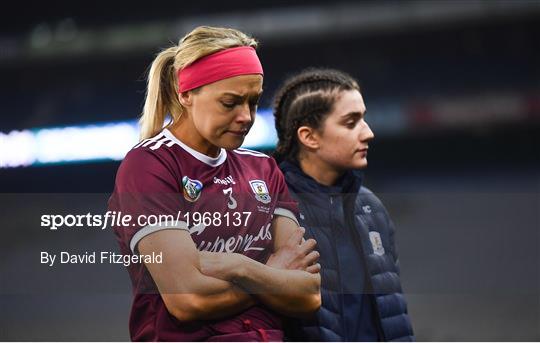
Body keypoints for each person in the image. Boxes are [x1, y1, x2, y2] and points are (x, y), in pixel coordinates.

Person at [107, 26, 321, 341]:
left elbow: (308, 295)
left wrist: (239, 268)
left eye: (253, 101)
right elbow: (187, 300)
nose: (246, 116)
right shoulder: (149, 166)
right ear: (185, 93)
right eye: (230, 102)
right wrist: (271, 273)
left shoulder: (263, 168)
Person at [272, 68, 415, 341]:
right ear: (309, 136)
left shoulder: (371, 207)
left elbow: (393, 316)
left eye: (364, 119)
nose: (368, 133)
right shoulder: (272, 210)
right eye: (351, 123)